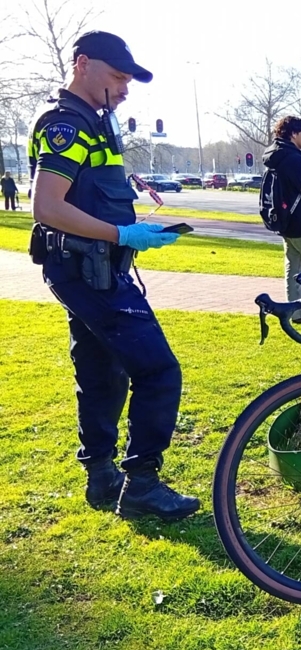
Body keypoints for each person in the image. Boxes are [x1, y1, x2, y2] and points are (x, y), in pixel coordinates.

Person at [27, 30, 199, 520]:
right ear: (82, 64)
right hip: (87, 268)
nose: (125, 89)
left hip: (88, 266)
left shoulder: (93, 120)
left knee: (103, 372)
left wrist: (128, 228)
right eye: (118, 76)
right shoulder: (68, 124)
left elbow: (89, 195)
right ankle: (141, 484)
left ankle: (102, 476)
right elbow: (47, 207)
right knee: (158, 370)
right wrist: (121, 236)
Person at [262, 116, 301, 323]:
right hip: (300, 221)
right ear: (294, 134)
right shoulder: (294, 159)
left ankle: (295, 310)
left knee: (293, 265)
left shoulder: (273, 157)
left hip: (284, 221)